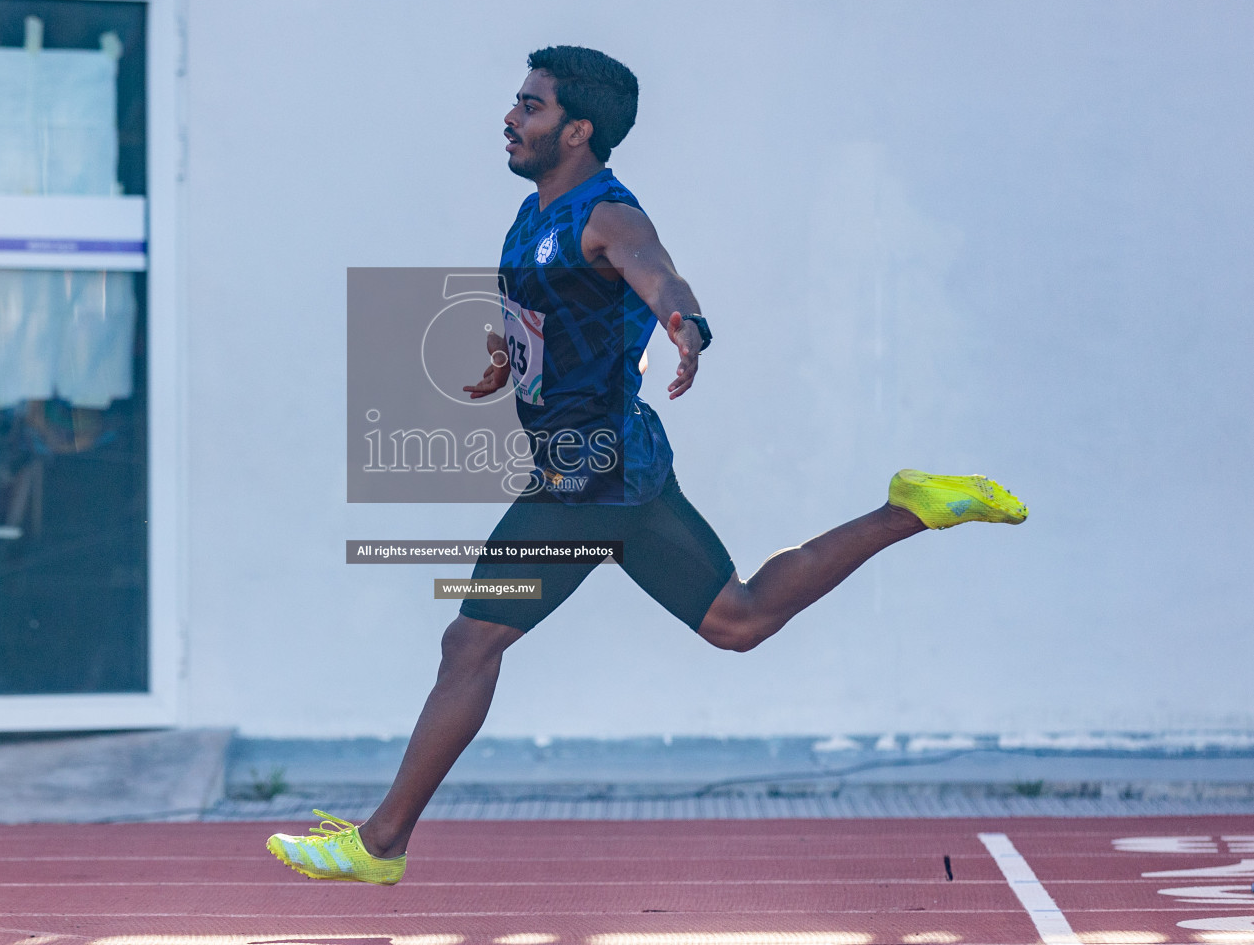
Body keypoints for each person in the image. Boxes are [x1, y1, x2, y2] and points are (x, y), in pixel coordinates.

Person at [266, 46, 1029, 884]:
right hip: (615, 465)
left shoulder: (606, 214)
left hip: (587, 475)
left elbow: (655, 273)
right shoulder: (536, 210)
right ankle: (910, 507)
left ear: (577, 130)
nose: (511, 117)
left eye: (530, 106)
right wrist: (509, 364)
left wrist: (686, 323)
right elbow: (556, 316)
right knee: (735, 620)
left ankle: (380, 844)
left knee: (470, 641)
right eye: (515, 103)